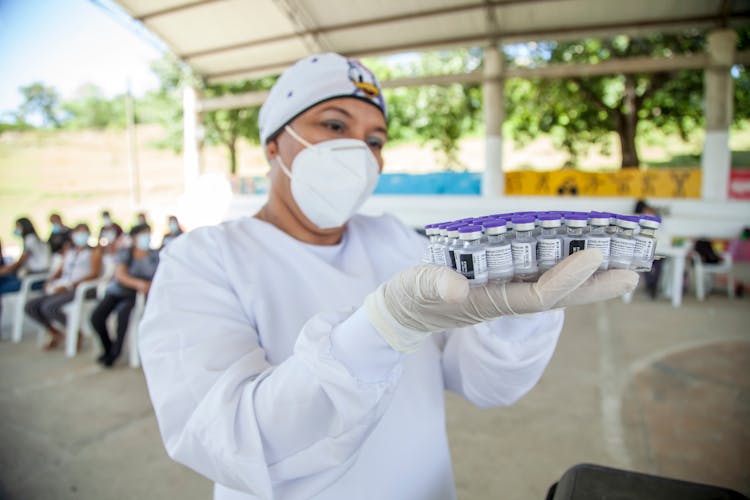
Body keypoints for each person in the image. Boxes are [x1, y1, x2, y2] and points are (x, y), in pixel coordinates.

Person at [138, 53, 638, 500]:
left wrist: (516, 313)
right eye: (334, 126)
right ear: (274, 145)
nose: (359, 152)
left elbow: (485, 384)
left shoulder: (396, 241)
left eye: (374, 140)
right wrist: (381, 328)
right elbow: (230, 439)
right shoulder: (205, 259)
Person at [25, 223, 102, 349]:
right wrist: (50, 281)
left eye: (84, 232)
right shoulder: (69, 251)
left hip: (79, 288)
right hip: (62, 286)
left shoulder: (93, 251)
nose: (81, 236)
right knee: (31, 306)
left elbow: (94, 274)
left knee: (49, 307)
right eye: (79, 233)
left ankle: (75, 332)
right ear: (72, 235)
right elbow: (60, 271)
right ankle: (55, 332)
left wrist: (69, 286)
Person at [90, 224, 158, 367]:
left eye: (148, 234)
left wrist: (142, 286)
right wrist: (139, 283)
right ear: (133, 237)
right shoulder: (126, 253)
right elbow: (121, 275)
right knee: (96, 317)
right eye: (143, 234)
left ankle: (116, 352)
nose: (146, 237)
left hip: (135, 296)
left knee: (123, 315)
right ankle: (108, 348)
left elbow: (157, 277)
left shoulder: (154, 255)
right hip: (118, 291)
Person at [0, 218, 51, 328]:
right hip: (32, 275)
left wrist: (8, 269)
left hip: (36, 277)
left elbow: (20, 263)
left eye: (18, 227)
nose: (16, 230)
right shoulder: (33, 239)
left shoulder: (30, 240)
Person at [633, 199, 663, 299]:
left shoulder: (653, 219)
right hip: (646, 252)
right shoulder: (641, 220)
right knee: (649, 264)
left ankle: (651, 286)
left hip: (652, 252)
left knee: (652, 264)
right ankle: (651, 286)